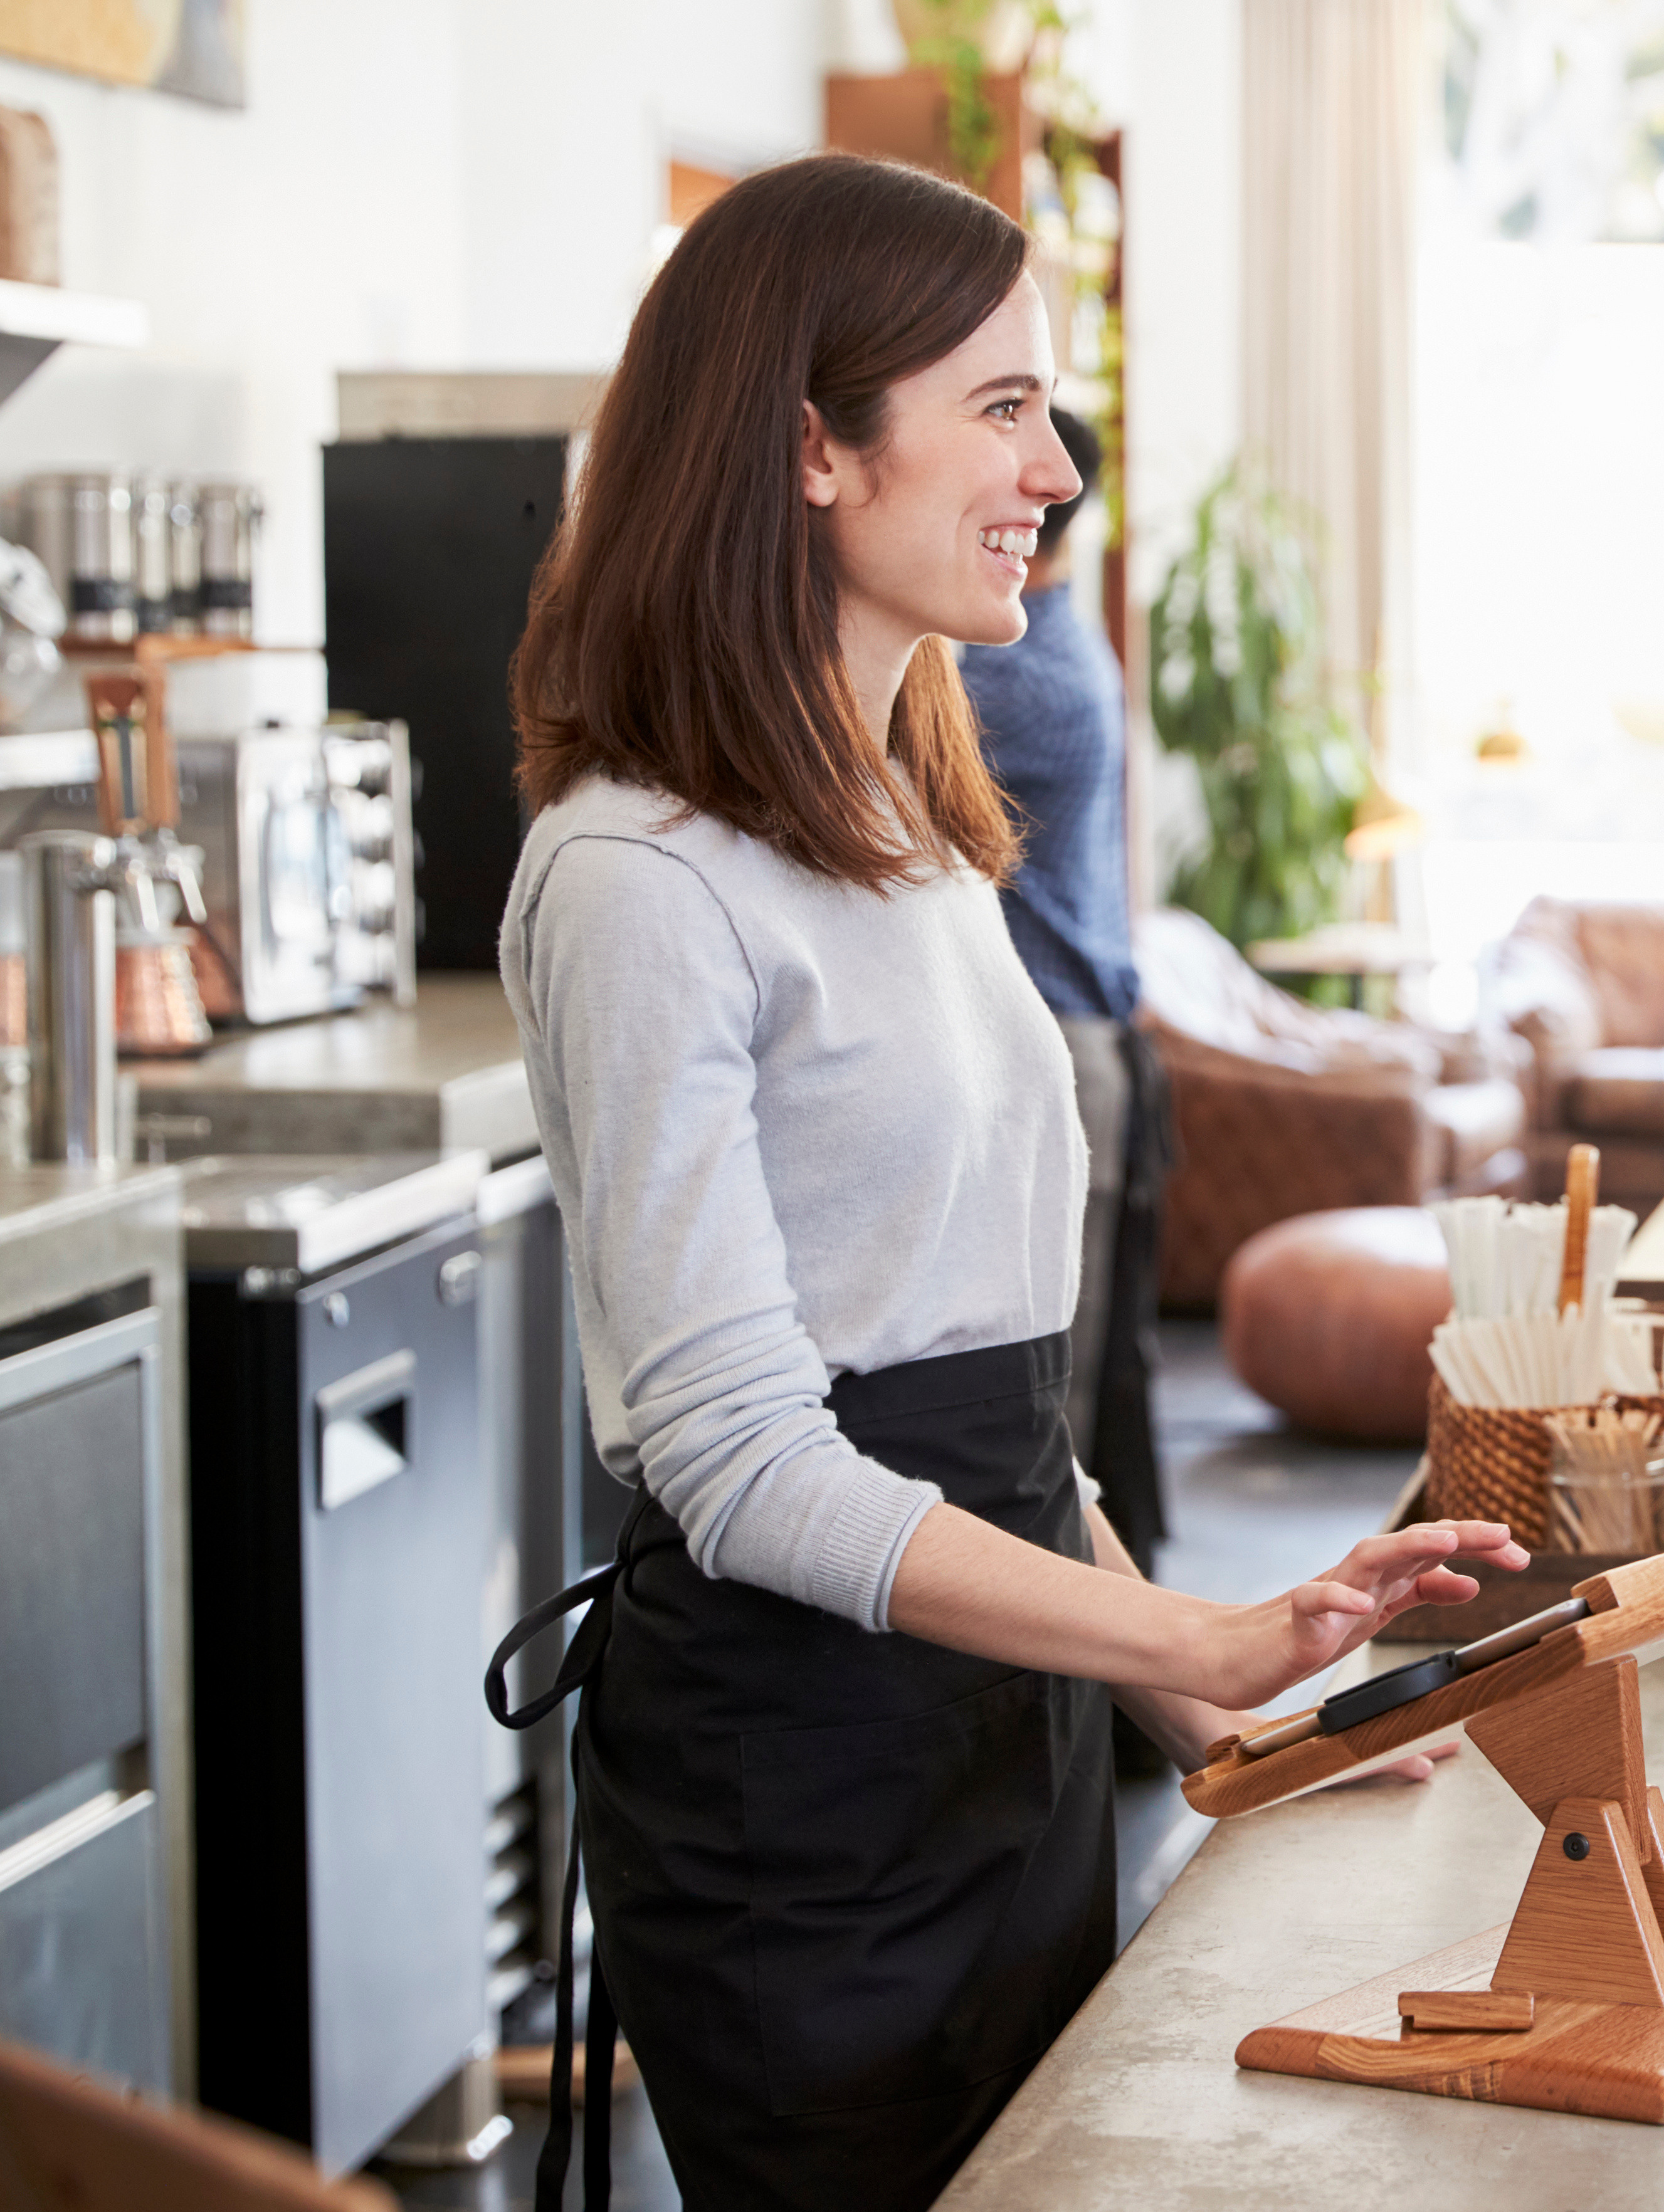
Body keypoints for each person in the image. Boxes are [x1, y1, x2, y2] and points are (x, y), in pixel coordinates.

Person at [492, 155, 1520, 2211]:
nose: (1054, 465)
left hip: (1010, 1752)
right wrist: (1200, 1642)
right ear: (808, 444)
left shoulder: (912, 827)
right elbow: (743, 1456)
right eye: (1000, 406)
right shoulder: (635, 879)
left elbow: (994, 1409)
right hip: (805, 1795)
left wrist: (1200, 1708)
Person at [954, 405, 1169, 1570]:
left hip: (1063, 1050)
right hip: (1078, 1039)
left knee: (1047, 1405)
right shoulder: (1056, 640)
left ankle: (1075, 1707)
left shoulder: (1013, 672)